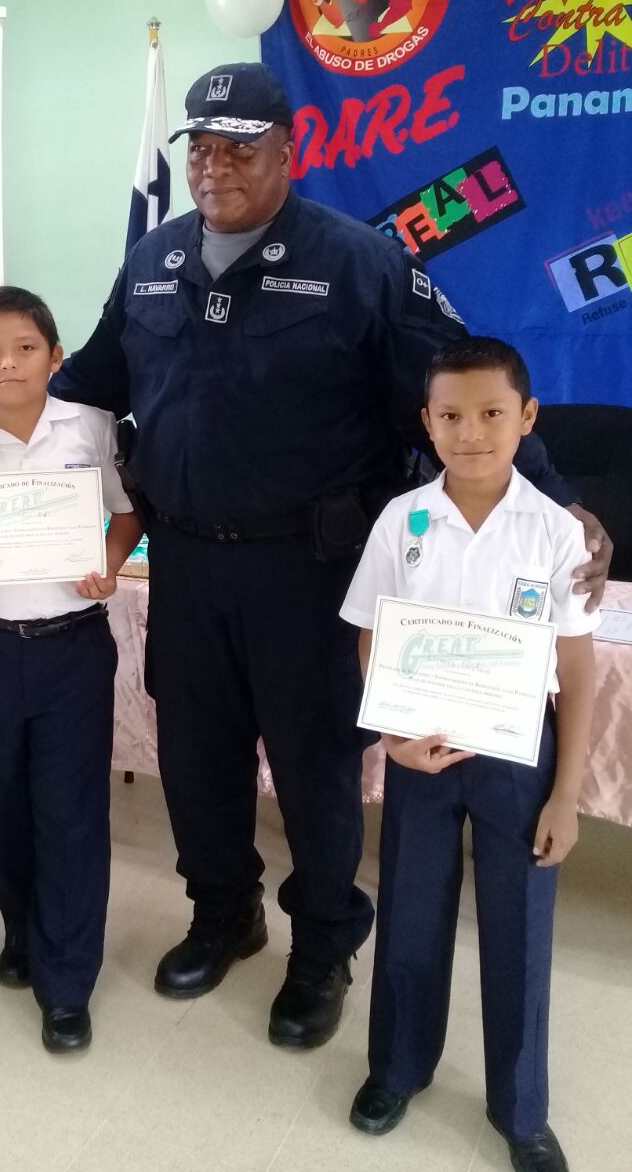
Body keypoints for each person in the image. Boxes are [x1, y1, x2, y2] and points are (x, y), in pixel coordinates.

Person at [48, 62, 612, 1051]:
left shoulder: (360, 261)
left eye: (239, 148)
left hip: (312, 573)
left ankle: (321, 949)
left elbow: (458, 383)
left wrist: (561, 498)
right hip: (186, 563)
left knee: (314, 771)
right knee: (197, 759)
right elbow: (89, 380)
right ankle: (223, 914)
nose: (215, 167)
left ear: (288, 151)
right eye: (201, 148)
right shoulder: (154, 260)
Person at [340, 338, 595, 1172]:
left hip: (519, 759)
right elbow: (372, 633)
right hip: (423, 752)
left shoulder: (555, 532)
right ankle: (396, 1071)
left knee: (519, 932)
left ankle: (521, 1110)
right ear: (427, 421)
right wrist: (391, 736)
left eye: (491, 413)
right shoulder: (403, 520)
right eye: (451, 415)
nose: (471, 432)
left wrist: (565, 796)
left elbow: (577, 672)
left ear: (527, 417)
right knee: (411, 914)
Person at [0, 286, 141, 1053]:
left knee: (72, 813)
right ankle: (22, 927)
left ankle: (67, 983)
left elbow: (127, 513)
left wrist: (108, 565)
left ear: (55, 356)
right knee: (1, 804)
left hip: (72, 646)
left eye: (25, 348)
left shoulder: (90, 428)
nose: (9, 363)